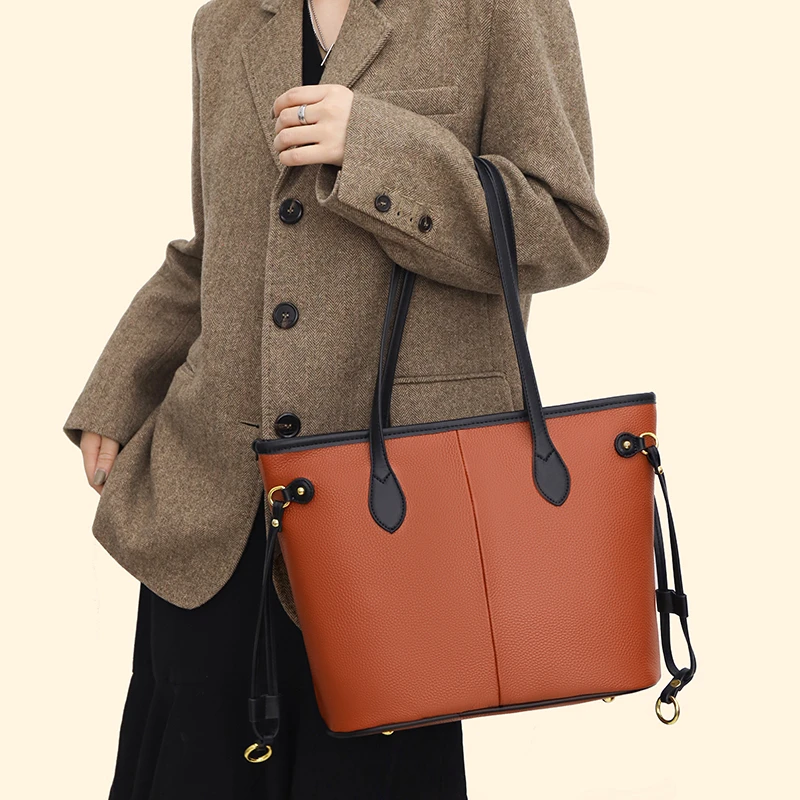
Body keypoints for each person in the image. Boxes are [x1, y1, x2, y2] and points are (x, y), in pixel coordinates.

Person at [64, 0, 610, 797]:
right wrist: (120, 390)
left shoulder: (499, 11)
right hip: (215, 515)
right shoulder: (226, 23)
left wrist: (377, 148)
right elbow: (214, 252)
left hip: (395, 524)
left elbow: (565, 230)